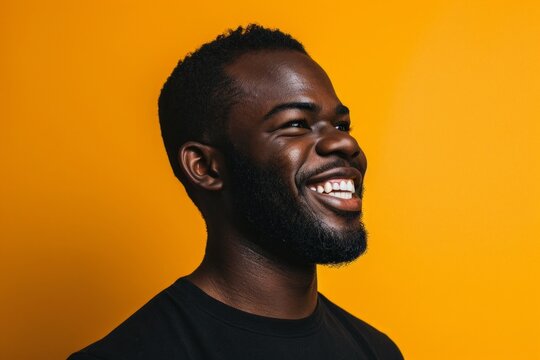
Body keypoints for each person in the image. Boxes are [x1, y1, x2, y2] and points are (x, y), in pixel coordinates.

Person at [68, 24, 403, 360]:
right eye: (296, 124)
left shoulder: (376, 351)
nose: (345, 142)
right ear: (205, 166)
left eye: (341, 125)